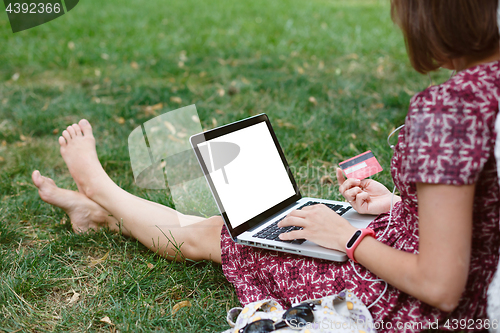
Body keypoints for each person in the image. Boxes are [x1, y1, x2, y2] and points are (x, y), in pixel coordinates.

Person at [32, 0, 500, 330]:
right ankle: (100, 214)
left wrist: (348, 238)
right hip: (468, 281)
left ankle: (99, 190)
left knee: (216, 234)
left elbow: (439, 286)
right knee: (250, 225)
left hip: (412, 307)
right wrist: (399, 205)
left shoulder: (451, 107)